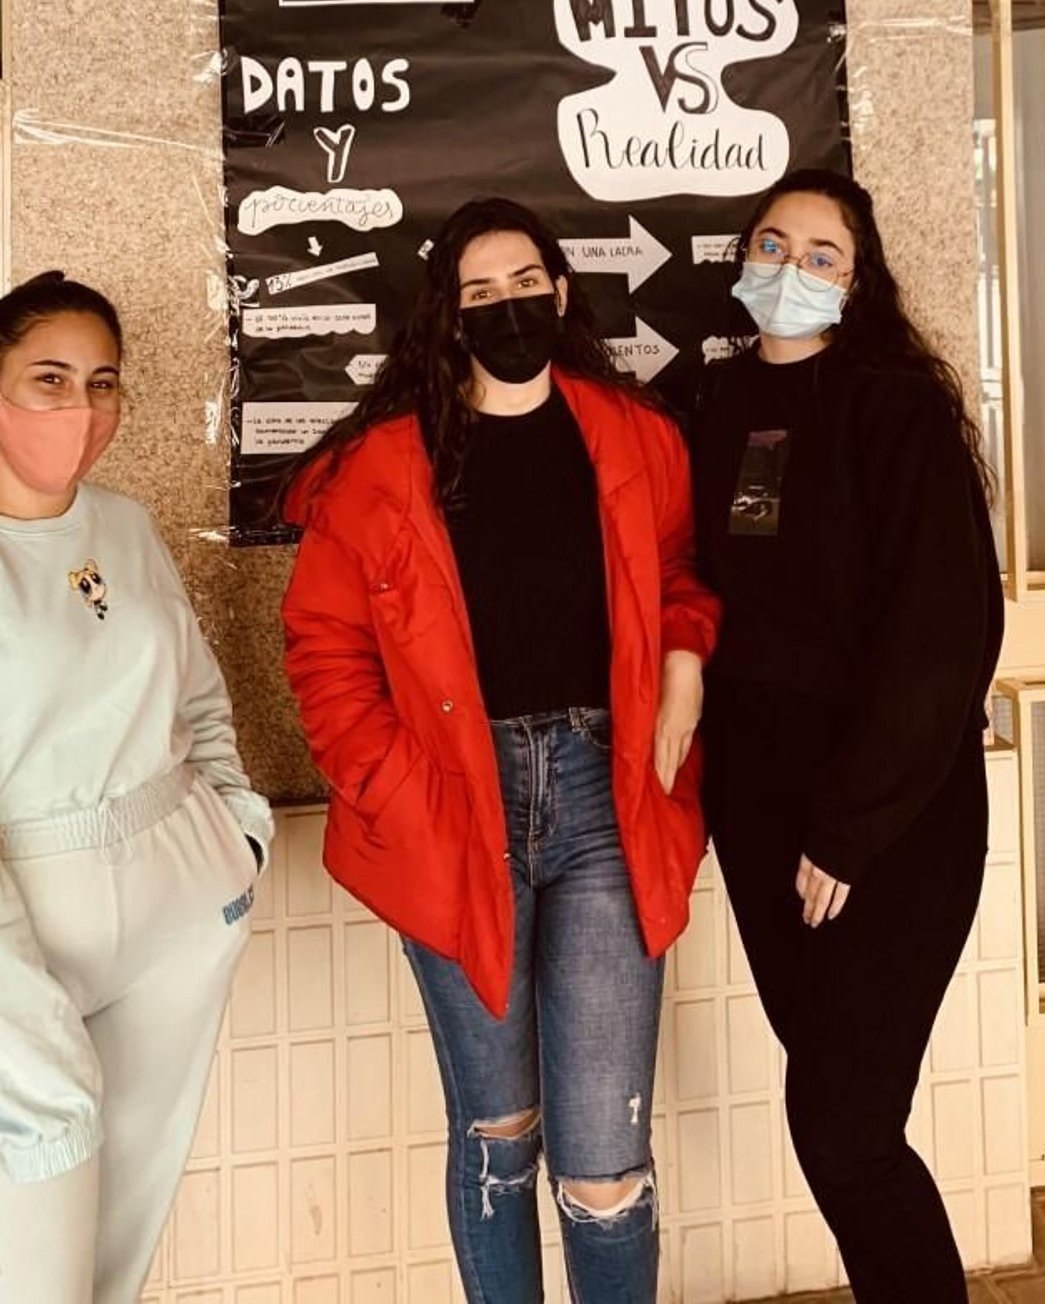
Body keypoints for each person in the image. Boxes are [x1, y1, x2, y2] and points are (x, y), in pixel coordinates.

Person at [282, 198, 718, 1304]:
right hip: (450, 807)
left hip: (606, 797)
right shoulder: (378, 468)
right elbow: (324, 648)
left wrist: (686, 656)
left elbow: (677, 584)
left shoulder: (636, 435)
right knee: (498, 1135)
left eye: (522, 283)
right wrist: (387, 782)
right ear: (447, 318)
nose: (505, 308)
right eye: (478, 294)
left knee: (605, 1164)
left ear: (561, 293)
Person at [0, 271, 273, 1304]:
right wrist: (29, 1076)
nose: (79, 410)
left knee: (108, 1279)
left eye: (101, 384)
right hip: (5, 987)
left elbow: (199, 704)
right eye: (50, 380)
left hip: (166, 944)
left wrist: (234, 841)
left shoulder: (124, 529)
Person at [689, 170, 1003, 1304]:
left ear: (856, 280)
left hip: (888, 822)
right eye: (770, 243)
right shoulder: (713, 407)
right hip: (760, 816)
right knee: (838, 1113)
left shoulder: (892, 406)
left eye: (820, 254)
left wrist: (848, 827)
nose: (789, 269)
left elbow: (940, 637)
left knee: (842, 1129)